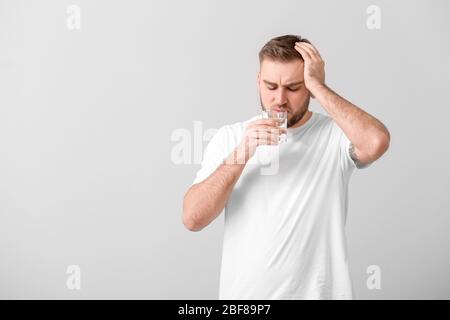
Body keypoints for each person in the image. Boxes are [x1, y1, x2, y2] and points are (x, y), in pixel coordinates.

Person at [182, 34, 390, 299]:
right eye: (270, 86)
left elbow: (376, 141)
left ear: (310, 89)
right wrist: (244, 152)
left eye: (293, 88)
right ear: (258, 81)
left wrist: (320, 87)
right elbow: (193, 218)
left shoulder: (334, 135)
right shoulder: (231, 138)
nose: (279, 99)